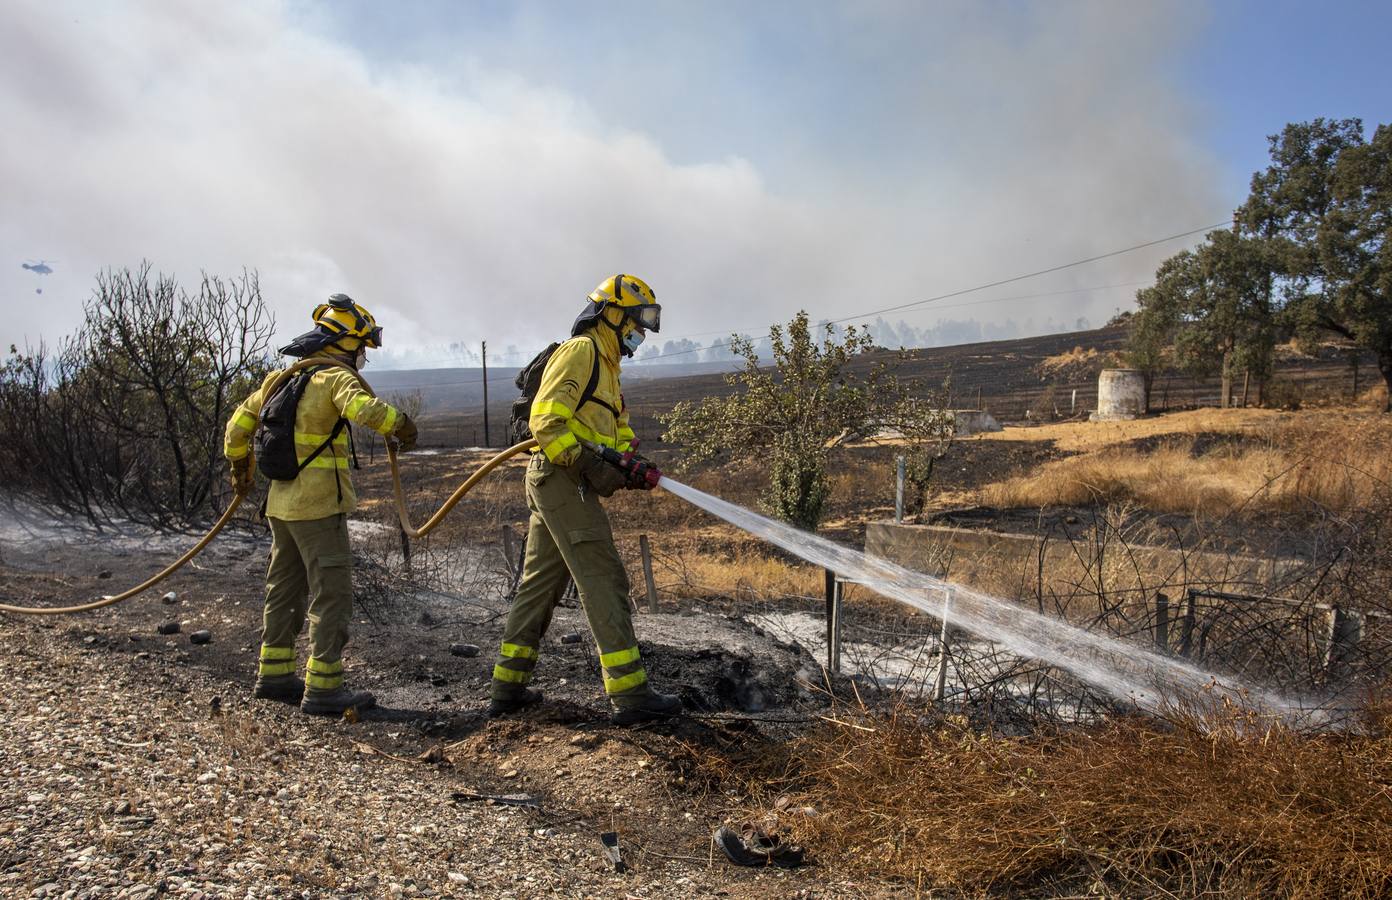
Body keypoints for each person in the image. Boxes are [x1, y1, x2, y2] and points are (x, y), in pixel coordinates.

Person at [490, 274, 683, 726]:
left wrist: (629, 463)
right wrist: (589, 466)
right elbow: (546, 421)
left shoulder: (609, 367)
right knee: (604, 577)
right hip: (561, 477)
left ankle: (507, 687)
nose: (640, 335)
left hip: (558, 478)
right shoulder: (581, 352)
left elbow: (615, 432)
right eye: (636, 324)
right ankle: (630, 693)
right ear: (613, 314)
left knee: (541, 584)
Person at [224, 294, 418, 715]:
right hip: (319, 509)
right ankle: (324, 688)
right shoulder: (335, 378)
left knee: (284, 590)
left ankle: (274, 675)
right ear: (346, 344)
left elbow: (236, 427)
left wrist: (241, 471)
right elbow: (365, 409)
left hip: (279, 506)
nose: (362, 356)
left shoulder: (279, 379)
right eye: (361, 348)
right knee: (331, 595)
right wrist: (402, 426)